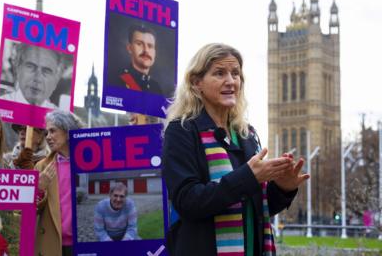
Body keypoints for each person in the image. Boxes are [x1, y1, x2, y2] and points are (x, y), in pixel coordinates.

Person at [161, 43, 310, 256]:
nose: (231, 81)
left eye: (236, 74)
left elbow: (256, 208)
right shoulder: (182, 130)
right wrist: (248, 176)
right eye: (220, 73)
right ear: (196, 83)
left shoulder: (246, 134)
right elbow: (188, 202)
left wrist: (283, 189)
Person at [35, 110, 84, 256]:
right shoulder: (41, 167)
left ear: (68, 132)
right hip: (52, 244)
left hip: (82, 243)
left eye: (53, 131)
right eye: (46, 132)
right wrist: (39, 188)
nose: (48, 137)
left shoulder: (88, 163)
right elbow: (30, 211)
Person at [0, 43, 71, 109]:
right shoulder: (2, 104)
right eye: (31, 67)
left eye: (46, 71)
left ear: (55, 81)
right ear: (18, 68)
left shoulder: (57, 116)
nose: (38, 78)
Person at [111, 24, 163, 96]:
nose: (146, 50)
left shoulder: (156, 88)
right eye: (139, 44)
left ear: (155, 52)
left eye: (150, 46)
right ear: (129, 48)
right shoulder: (117, 81)